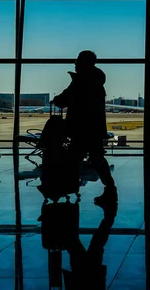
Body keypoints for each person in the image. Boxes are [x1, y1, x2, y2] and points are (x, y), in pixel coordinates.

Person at [52, 50, 117, 205]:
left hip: (78, 128)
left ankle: (65, 188)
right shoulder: (96, 81)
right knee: (97, 159)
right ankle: (110, 190)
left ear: (83, 63)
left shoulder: (81, 81)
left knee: (70, 157)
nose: (75, 64)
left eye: (77, 61)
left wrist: (57, 99)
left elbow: (64, 99)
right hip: (94, 128)